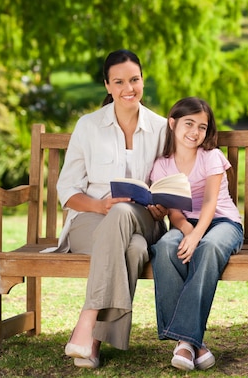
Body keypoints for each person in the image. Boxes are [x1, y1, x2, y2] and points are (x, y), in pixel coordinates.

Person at [56, 49, 168, 369]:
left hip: (146, 221)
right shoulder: (88, 126)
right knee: (131, 249)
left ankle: (86, 322)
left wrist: (162, 202)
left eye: (134, 80)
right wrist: (100, 205)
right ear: (107, 85)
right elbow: (67, 190)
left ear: (143, 80)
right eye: (119, 82)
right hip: (89, 221)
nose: (127, 88)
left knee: (124, 216)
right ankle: (93, 342)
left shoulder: (162, 128)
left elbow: (170, 183)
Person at [150, 97, 244, 371]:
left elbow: (210, 203)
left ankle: (183, 341)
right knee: (165, 247)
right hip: (186, 224)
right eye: (189, 123)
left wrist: (197, 235)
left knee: (209, 247)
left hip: (223, 223)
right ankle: (193, 344)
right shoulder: (162, 165)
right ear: (172, 123)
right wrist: (187, 231)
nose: (195, 131)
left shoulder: (211, 156)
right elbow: (174, 211)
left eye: (202, 127)